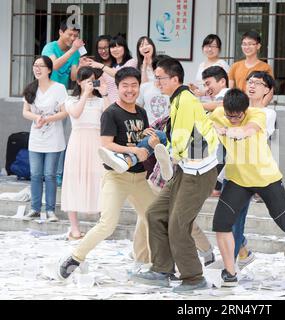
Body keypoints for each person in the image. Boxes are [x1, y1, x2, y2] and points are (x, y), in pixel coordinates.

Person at [210, 88, 285, 287]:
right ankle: (230, 272)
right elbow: (207, 113)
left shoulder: (257, 114)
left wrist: (230, 130)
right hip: (238, 179)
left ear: (245, 110)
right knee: (221, 223)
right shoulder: (219, 114)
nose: (232, 119)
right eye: (228, 116)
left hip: (265, 178)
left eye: (237, 116)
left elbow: (248, 130)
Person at [58, 67, 156, 279]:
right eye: (125, 86)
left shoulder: (141, 112)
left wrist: (151, 141)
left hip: (139, 178)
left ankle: (148, 263)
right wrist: (133, 150)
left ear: (139, 87)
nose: (130, 90)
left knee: (154, 218)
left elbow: (142, 142)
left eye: (134, 85)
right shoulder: (111, 112)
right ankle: (75, 256)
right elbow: (106, 144)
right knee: (107, 224)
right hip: (116, 177)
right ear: (118, 87)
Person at [131, 57, 219, 293]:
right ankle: (162, 269)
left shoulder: (186, 100)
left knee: (178, 224)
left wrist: (169, 155)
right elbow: (176, 135)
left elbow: (181, 136)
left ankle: (193, 277)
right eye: (156, 77)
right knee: (155, 213)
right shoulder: (177, 99)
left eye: (160, 78)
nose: (157, 82)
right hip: (184, 169)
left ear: (175, 79)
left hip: (199, 172)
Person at [229, 71, 276, 269]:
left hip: (251, 172)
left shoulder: (268, 113)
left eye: (258, 83)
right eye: (249, 81)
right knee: (230, 218)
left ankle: (231, 265)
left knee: (235, 218)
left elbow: (254, 132)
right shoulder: (239, 108)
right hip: (232, 167)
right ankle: (241, 251)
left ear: (267, 90)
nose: (252, 85)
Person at [61, 66, 110, 240]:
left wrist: (104, 94)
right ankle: (74, 228)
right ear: (79, 81)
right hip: (77, 143)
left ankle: (102, 224)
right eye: (86, 80)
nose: (90, 83)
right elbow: (75, 113)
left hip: (96, 142)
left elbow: (109, 116)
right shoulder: (70, 100)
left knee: (100, 181)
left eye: (92, 79)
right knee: (73, 181)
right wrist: (84, 94)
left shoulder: (99, 101)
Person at [22, 56, 68, 222]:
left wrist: (48, 119)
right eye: (35, 65)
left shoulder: (59, 88)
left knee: (50, 175)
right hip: (36, 139)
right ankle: (35, 208)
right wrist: (36, 118)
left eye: (41, 66)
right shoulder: (30, 88)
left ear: (49, 69)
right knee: (35, 174)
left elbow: (65, 112)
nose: (37, 68)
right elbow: (25, 111)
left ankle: (50, 210)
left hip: (54, 138)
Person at [42, 20, 84, 188]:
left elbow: (73, 77)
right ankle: (44, 173)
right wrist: (74, 49)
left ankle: (57, 174)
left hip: (63, 96)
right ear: (60, 32)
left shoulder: (75, 52)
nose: (73, 38)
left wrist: (81, 65)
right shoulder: (50, 47)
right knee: (44, 134)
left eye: (76, 36)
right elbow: (52, 66)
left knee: (60, 136)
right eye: (70, 34)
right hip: (45, 96)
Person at [201, 66, 230, 197]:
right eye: (204, 85)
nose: (206, 89)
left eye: (208, 84)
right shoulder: (216, 99)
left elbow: (223, 104)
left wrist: (195, 106)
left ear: (222, 82)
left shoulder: (226, 93)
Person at [228, 30, 274, 106]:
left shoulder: (265, 67)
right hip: (238, 108)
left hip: (256, 107)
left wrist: (259, 108)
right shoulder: (235, 66)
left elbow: (270, 92)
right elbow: (230, 91)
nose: (247, 47)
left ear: (258, 46)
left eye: (250, 44)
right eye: (244, 44)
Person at [88, 35, 137, 104]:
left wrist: (100, 66)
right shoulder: (111, 68)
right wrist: (85, 68)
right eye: (112, 47)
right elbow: (97, 84)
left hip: (125, 106)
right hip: (110, 107)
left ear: (125, 48)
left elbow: (120, 75)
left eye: (119, 46)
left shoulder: (131, 62)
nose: (115, 50)